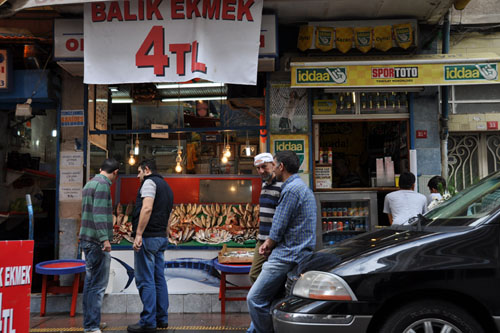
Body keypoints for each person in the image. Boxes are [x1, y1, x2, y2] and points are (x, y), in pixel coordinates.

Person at [246, 150, 317, 333]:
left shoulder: (291, 190)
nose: (268, 169)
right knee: (269, 296)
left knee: (254, 299)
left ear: (280, 167)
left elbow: (279, 223)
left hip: (287, 254)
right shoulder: (300, 187)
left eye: (273, 164)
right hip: (293, 252)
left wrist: (268, 244)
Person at [127, 159, 174, 333]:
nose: (138, 176)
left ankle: (148, 321)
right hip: (160, 238)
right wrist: (166, 234)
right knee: (158, 279)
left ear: (146, 170)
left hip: (148, 238)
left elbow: (147, 208)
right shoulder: (166, 186)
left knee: (145, 280)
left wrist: (138, 234)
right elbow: (168, 215)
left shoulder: (149, 183)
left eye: (139, 172)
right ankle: (162, 319)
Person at [79, 158, 120, 333]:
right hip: (96, 242)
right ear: (115, 173)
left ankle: (90, 322)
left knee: (89, 284)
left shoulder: (90, 183)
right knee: (98, 285)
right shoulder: (103, 185)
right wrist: (105, 239)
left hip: (86, 239)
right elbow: (99, 214)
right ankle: (92, 326)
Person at [248, 153, 283, 283]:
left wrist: (272, 240)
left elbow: (282, 217)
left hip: (275, 241)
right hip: (261, 239)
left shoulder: (282, 186)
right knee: (254, 274)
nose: (261, 171)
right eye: (258, 168)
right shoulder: (264, 185)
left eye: (264, 167)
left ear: (273, 165)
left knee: (275, 276)